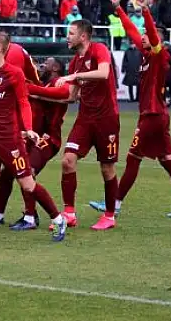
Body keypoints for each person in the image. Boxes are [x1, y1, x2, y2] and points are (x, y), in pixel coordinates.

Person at [88, 0, 171, 218]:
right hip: (157, 115)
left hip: (152, 115)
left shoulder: (158, 54)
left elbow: (152, 35)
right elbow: (131, 31)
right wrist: (119, 9)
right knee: (167, 160)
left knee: (133, 158)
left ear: (157, 40)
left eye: (147, 35)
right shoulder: (147, 54)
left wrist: (146, 11)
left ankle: (115, 203)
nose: (143, 36)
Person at [0, 32, 67, 244]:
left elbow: (23, 103)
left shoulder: (14, 74)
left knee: (28, 184)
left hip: (10, 141)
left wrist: (29, 128)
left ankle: (58, 219)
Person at [54, 19, 120, 231]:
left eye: (71, 33)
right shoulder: (75, 61)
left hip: (107, 119)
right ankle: (69, 213)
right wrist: (37, 94)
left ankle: (109, 216)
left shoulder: (99, 49)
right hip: (85, 119)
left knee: (107, 168)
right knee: (67, 161)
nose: (67, 37)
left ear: (83, 36)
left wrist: (74, 76)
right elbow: (71, 97)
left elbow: (103, 73)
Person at [0, 57, 69, 230]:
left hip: (48, 139)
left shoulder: (59, 82)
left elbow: (65, 93)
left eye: (46, 63)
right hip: (32, 137)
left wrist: (29, 88)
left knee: (27, 171)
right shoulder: (42, 84)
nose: (42, 65)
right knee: (7, 172)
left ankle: (30, 217)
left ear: (55, 68)